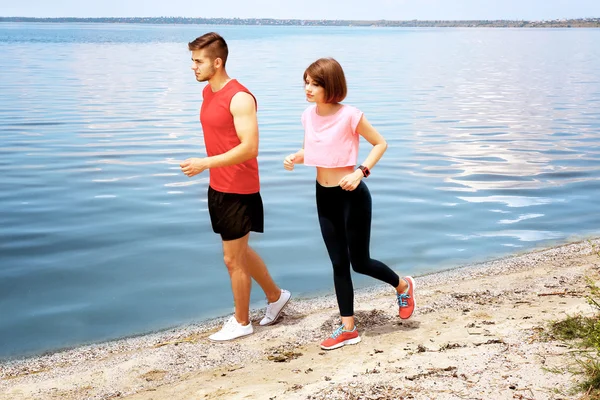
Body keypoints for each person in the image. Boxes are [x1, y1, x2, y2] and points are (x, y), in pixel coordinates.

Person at [283, 58, 416, 350]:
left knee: (360, 262)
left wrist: (360, 172)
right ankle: (348, 328)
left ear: (330, 86)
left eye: (314, 83)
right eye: (305, 82)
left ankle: (403, 286)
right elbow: (317, 150)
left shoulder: (351, 115)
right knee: (338, 264)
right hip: (323, 194)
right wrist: (297, 156)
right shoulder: (308, 115)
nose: (307, 88)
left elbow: (380, 143)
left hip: (351, 195)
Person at [181, 32, 291, 342]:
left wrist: (204, 163)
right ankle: (275, 296)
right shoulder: (208, 93)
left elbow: (250, 147)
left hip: (239, 188)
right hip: (218, 185)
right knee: (238, 251)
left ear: (217, 62)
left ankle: (242, 322)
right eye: (192, 61)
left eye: (198, 61)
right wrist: (210, 169)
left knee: (232, 258)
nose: (193, 67)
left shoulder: (239, 97)